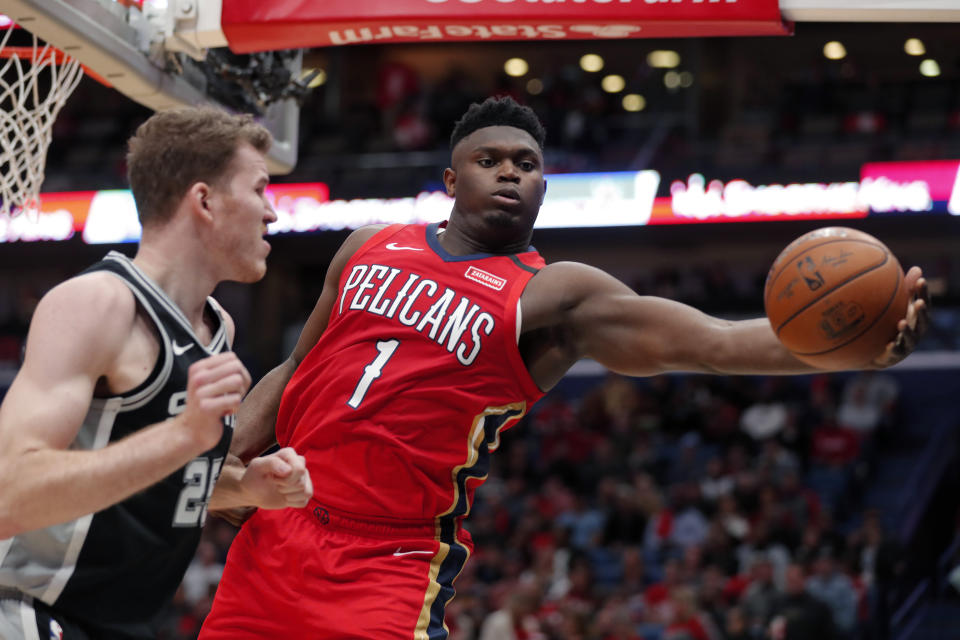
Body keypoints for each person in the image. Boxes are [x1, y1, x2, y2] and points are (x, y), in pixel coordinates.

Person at [200, 96, 928, 639]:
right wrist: (220, 465)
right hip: (278, 530)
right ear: (451, 180)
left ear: (544, 187)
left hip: (389, 558)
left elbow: (712, 341)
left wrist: (856, 344)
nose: (511, 173)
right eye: (490, 161)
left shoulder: (555, 294)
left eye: (527, 165)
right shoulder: (365, 244)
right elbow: (297, 367)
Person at [0, 107, 313, 640]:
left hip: (130, 623)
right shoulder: (97, 303)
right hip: (37, 613)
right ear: (205, 201)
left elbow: (158, 480)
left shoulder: (219, 330)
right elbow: (9, 495)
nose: (272, 214)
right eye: (260, 189)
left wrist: (246, 487)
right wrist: (182, 435)